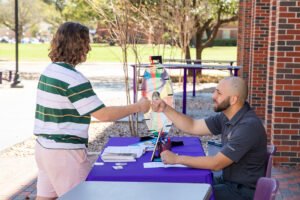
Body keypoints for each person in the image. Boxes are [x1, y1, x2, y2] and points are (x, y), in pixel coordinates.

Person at [33, 22, 150, 199]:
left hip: (43, 149)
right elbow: (102, 114)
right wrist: (138, 107)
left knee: (45, 197)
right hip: (65, 153)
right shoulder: (73, 78)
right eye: (87, 43)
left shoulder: (49, 71)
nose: (89, 48)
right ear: (78, 45)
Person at [152, 76, 267, 200]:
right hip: (228, 182)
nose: (213, 96)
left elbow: (216, 163)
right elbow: (193, 126)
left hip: (242, 192)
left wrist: (177, 159)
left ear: (233, 99)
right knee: (187, 183)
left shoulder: (248, 126)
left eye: (219, 93)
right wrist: (165, 108)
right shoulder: (227, 116)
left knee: (187, 193)